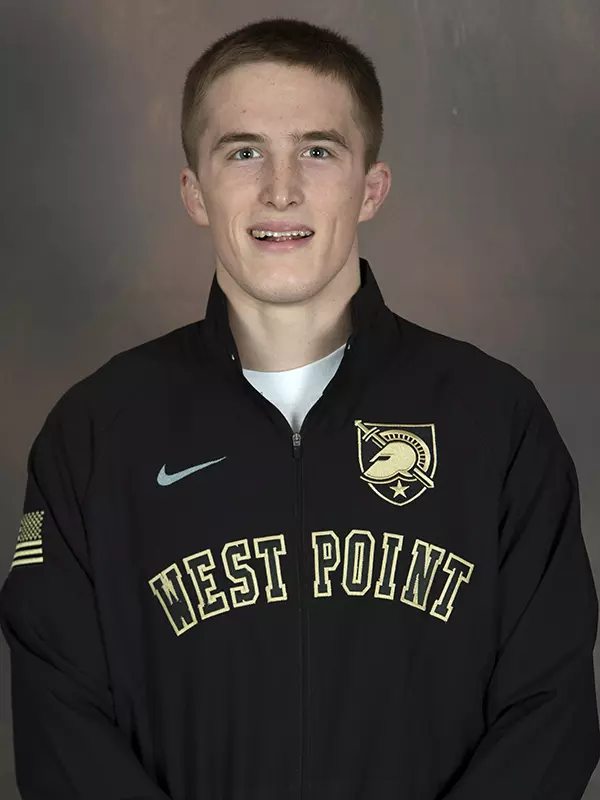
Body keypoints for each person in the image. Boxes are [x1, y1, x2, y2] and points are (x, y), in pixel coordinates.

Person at [1, 15, 599, 800]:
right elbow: (60, 725)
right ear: (194, 191)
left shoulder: (495, 419)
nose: (280, 190)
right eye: (243, 151)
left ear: (372, 187)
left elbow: (551, 708)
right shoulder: (93, 434)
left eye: (318, 151)